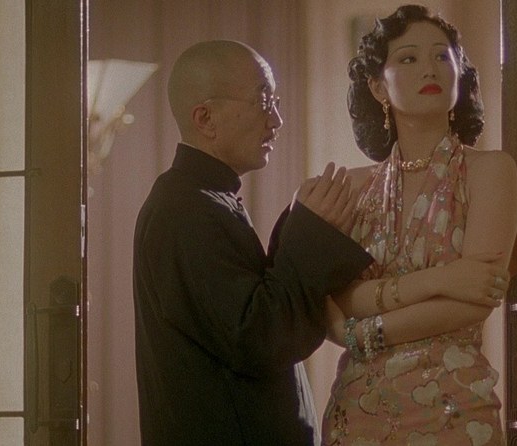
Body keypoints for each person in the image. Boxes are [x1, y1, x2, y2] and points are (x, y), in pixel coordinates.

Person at [132, 40, 374, 446]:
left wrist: (301, 226)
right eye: (263, 101)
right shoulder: (184, 210)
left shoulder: (203, 198)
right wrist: (310, 231)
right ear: (205, 118)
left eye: (274, 102)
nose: (276, 119)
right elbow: (261, 338)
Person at [321, 5, 517, 445]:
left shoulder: (490, 171)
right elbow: (336, 299)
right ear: (378, 86)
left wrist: (364, 330)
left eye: (442, 56)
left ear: (459, 73)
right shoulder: (352, 187)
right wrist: (444, 278)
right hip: (359, 411)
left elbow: (475, 299)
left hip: (455, 407)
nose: (429, 68)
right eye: (408, 58)